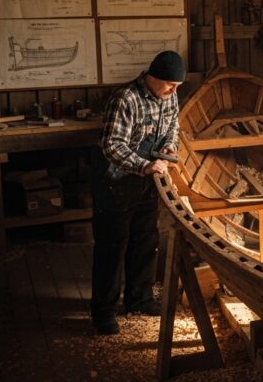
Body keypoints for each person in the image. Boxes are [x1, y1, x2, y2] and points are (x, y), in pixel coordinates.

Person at [90, 50, 184, 335]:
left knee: (145, 240)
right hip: (116, 181)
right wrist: (145, 165)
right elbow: (112, 145)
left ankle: (139, 299)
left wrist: (169, 147)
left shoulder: (170, 94)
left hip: (146, 180)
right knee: (112, 246)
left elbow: (173, 128)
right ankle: (103, 311)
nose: (173, 90)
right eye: (169, 84)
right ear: (152, 78)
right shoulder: (125, 99)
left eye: (177, 86)